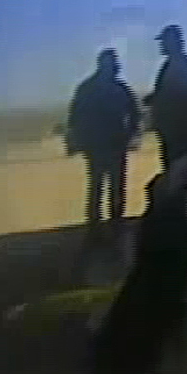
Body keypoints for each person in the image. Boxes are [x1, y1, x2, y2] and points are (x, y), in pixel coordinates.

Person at [65, 48, 142, 236]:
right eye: (114, 64)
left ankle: (100, 226)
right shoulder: (117, 88)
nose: (117, 67)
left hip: (103, 145)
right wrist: (130, 133)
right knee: (109, 186)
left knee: (101, 186)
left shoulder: (89, 88)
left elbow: (74, 117)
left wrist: (77, 140)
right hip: (108, 144)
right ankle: (108, 225)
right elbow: (135, 114)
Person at [147, 24, 187, 168]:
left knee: (181, 171)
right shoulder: (173, 65)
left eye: (164, 41)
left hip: (180, 135)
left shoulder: (179, 65)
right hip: (176, 133)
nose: (162, 45)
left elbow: (181, 100)